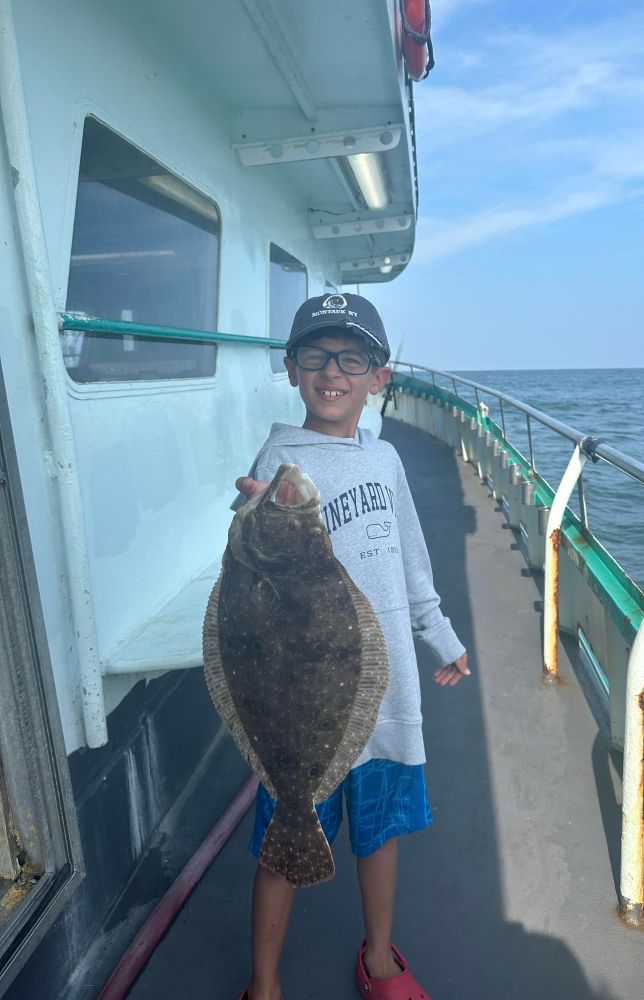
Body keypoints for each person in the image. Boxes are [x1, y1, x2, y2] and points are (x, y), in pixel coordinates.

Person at [233, 292, 470, 1000]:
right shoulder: (277, 460)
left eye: (352, 357)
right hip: (301, 709)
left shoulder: (388, 460)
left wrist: (441, 637)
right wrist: (252, 515)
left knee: (380, 832)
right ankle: (265, 984)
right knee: (283, 845)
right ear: (291, 368)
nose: (331, 370)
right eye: (315, 355)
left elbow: (411, 561)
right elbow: (248, 574)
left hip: (385, 698)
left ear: (379, 376)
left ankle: (378, 958)